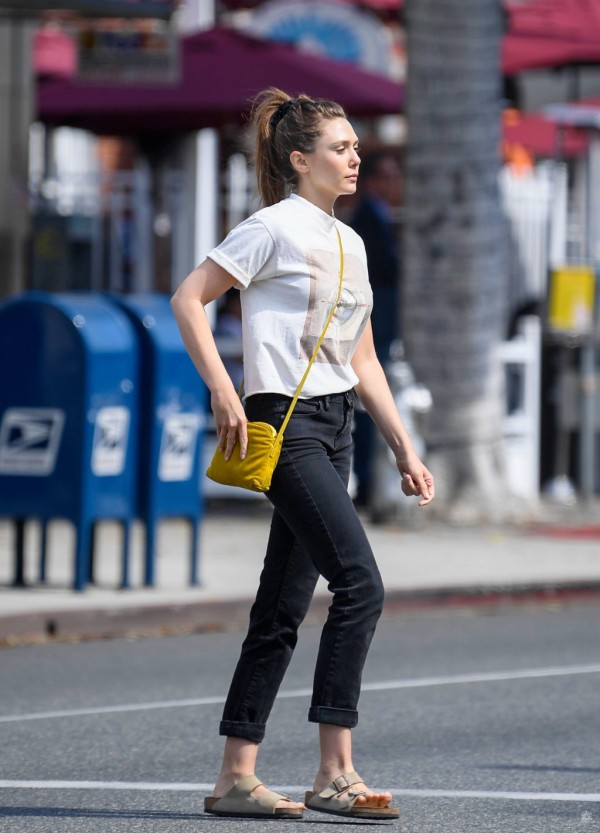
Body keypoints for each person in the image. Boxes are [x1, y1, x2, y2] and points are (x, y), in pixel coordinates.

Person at [171, 87, 434, 821]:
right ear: (298, 159)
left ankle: (235, 777)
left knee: (283, 605)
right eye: (340, 147)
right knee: (360, 583)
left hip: (337, 424)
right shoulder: (271, 228)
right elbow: (190, 298)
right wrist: (223, 390)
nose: (355, 158)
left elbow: (363, 359)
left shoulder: (351, 242)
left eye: (355, 147)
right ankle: (335, 771)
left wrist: (402, 445)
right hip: (284, 424)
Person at [349, 148, 404, 507]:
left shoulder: (381, 217)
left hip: (381, 326)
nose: (395, 183)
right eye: (387, 176)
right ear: (371, 182)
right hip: (372, 326)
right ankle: (367, 482)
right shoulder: (367, 219)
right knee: (368, 405)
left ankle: (371, 481)